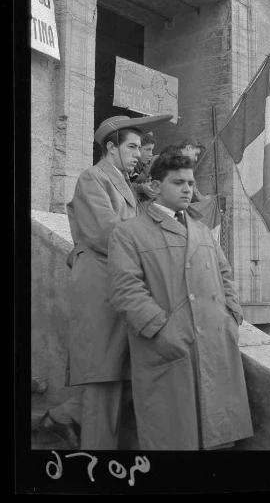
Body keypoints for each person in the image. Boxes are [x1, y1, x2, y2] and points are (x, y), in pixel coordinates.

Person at [107, 151, 253, 450]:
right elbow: (126, 290)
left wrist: (232, 315)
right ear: (156, 187)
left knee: (219, 439)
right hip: (170, 348)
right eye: (178, 182)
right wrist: (162, 332)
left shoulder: (201, 229)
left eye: (190, 182)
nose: (188, 189)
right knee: (175, 438)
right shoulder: (129, 233)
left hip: (215, 342)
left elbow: (224, 273)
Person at [63, 113, 172, 449]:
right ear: (111, 147)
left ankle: (63, 420)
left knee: (115, 381)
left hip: (116, 290)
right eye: (133, 147)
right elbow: (105, 232)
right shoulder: (92, 178)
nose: (140, 154)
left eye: (140, 147)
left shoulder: (123, 182)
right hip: (100, 292)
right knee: (102, 384)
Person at [130, 132, 158, 200]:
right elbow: (125, 185)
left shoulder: (143, 164)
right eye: (148, 150)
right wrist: (142, 188)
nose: (151, 154)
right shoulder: (129, 165)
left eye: (152, 150)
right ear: (138, 148)